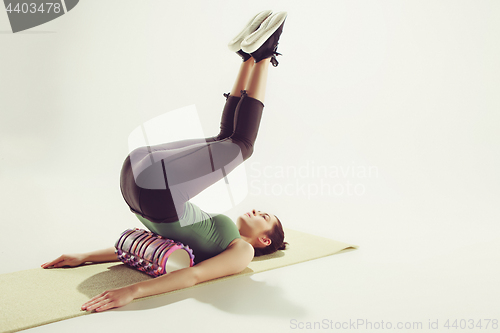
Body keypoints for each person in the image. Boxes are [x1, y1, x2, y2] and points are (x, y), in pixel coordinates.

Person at [41, 10, 288, 313]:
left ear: (264, 241)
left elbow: (190, 274)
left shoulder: (243, 251)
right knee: (227, 139)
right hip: (139, 182)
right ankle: (249, 58)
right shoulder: (205, 243)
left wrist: (131, 290)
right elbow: (157, 247)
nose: (257, 210)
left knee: (241, 146)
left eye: (264, 217)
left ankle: (261, 57)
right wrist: (86, 257)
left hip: (148, 184)